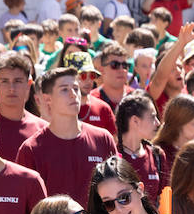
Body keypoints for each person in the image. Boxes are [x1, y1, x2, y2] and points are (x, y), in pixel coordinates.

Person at [16, 67, 118, 204]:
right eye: (64, 89)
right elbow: (25, 205)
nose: (73, 94)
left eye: (75, 88)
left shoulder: (103, 139)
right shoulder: (30, 149)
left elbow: (117, 189)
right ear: (47, 99)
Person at [0, 52, 45, 162]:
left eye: (17, 81)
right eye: (5, 81)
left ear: (28, 84)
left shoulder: (42, 129)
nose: (11, 88)